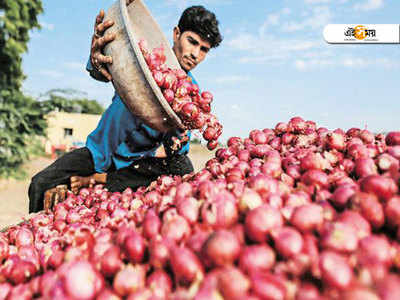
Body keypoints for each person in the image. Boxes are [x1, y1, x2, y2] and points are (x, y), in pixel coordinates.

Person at [28, 1, 223, 213]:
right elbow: (103, 70)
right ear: (177, 34)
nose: (195, 54)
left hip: (135, 164)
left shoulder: (192, 95)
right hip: (98, 152)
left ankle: (101, 180)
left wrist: (180, 135)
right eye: (192, 42)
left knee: (182, 167)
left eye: (204, 49)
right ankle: (43, 222)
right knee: (40, 183)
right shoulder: (145, 60)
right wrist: (97, 58)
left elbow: (176, 152)